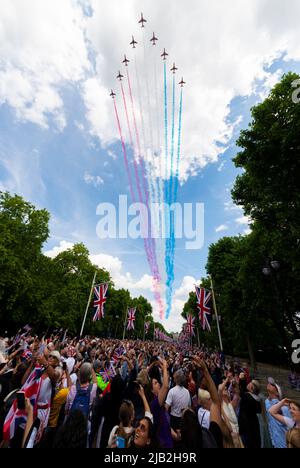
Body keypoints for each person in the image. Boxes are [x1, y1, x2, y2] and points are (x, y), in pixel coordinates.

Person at [150, 358, 173, 449]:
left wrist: (174, 435)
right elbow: (166, 386)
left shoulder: (160, 403)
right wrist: (164, 367)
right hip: (163, 444)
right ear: (151, 390)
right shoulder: (155, 403)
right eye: (155, 383)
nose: (158, 384)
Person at [265, 378, 290, 449]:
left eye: (273, 385)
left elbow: (290, 426)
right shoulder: (267, 403)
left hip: (284, 443)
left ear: (277, 393)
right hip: (275, 442)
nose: (269, 384)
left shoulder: (284, 408)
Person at [238, 379, 262, 448]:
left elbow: (241, 393)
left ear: (252, 388)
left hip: (246, 429)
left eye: (250, 383)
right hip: (253, 427)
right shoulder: (256, 399)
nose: (248, 383)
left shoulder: (248, 397)